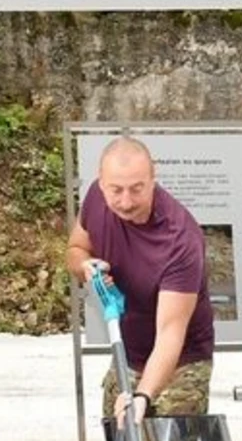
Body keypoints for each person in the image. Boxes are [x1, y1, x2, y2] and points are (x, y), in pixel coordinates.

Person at [67, 136, 214, 424]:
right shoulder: (96, 198)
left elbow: (171, 331)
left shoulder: (181, 239)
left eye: (137, 189)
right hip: (126, 355)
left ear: (152, 178)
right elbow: (75, 249)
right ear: (101, 182)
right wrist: (86, 267)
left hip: (180, 363)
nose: (126, 201)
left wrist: (143, 395)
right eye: (116, 190)